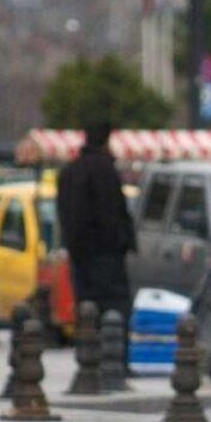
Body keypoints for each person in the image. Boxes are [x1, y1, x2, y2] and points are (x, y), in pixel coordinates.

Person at [55, 121, 136, 324]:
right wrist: (123, 242)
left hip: (79, 259)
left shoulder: (69, 173)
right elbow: (113, 214)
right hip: (106, 258)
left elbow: (65, 215)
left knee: (87, 316)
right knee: (114, 316)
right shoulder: (105, 171)